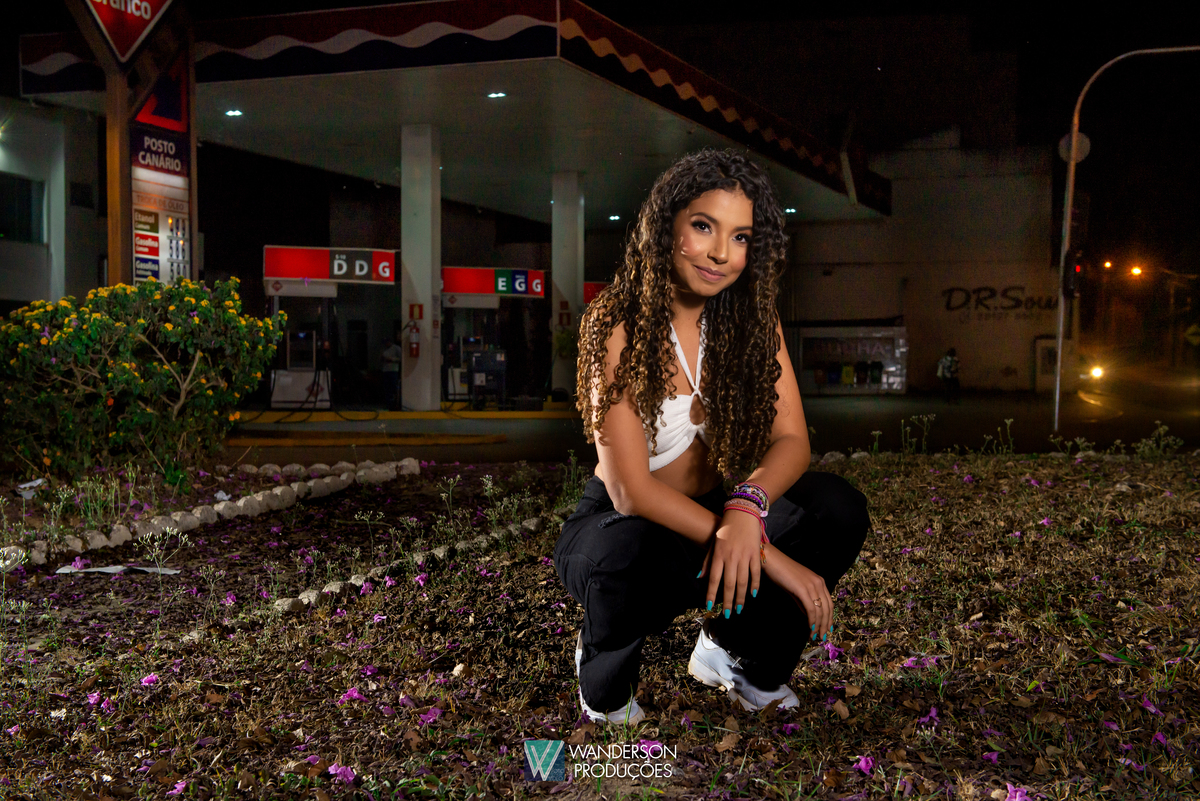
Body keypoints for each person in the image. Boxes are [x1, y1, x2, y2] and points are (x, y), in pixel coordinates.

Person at [553, 149, 869, 725]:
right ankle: (604, 684)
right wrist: (768, 556)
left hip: (718, 514)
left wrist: (748, 507)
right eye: (703, 226)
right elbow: (630, 492)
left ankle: (735, 654)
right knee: (626, 553)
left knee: (835, 508)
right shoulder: (616, 322)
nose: (722, 252)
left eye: (740, 236)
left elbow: (793, 440)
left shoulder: (751, 321)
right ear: (665, 226)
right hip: (624, 526)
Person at [381, 332, 404, 410]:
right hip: (385, 370)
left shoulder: (396, 348)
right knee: (387, 388)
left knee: (393, 387)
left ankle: (395, 403)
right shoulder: (384, 349)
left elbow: (401, 358)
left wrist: (392, 359)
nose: (386, 344)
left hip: (393, 370)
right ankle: (388, 403)